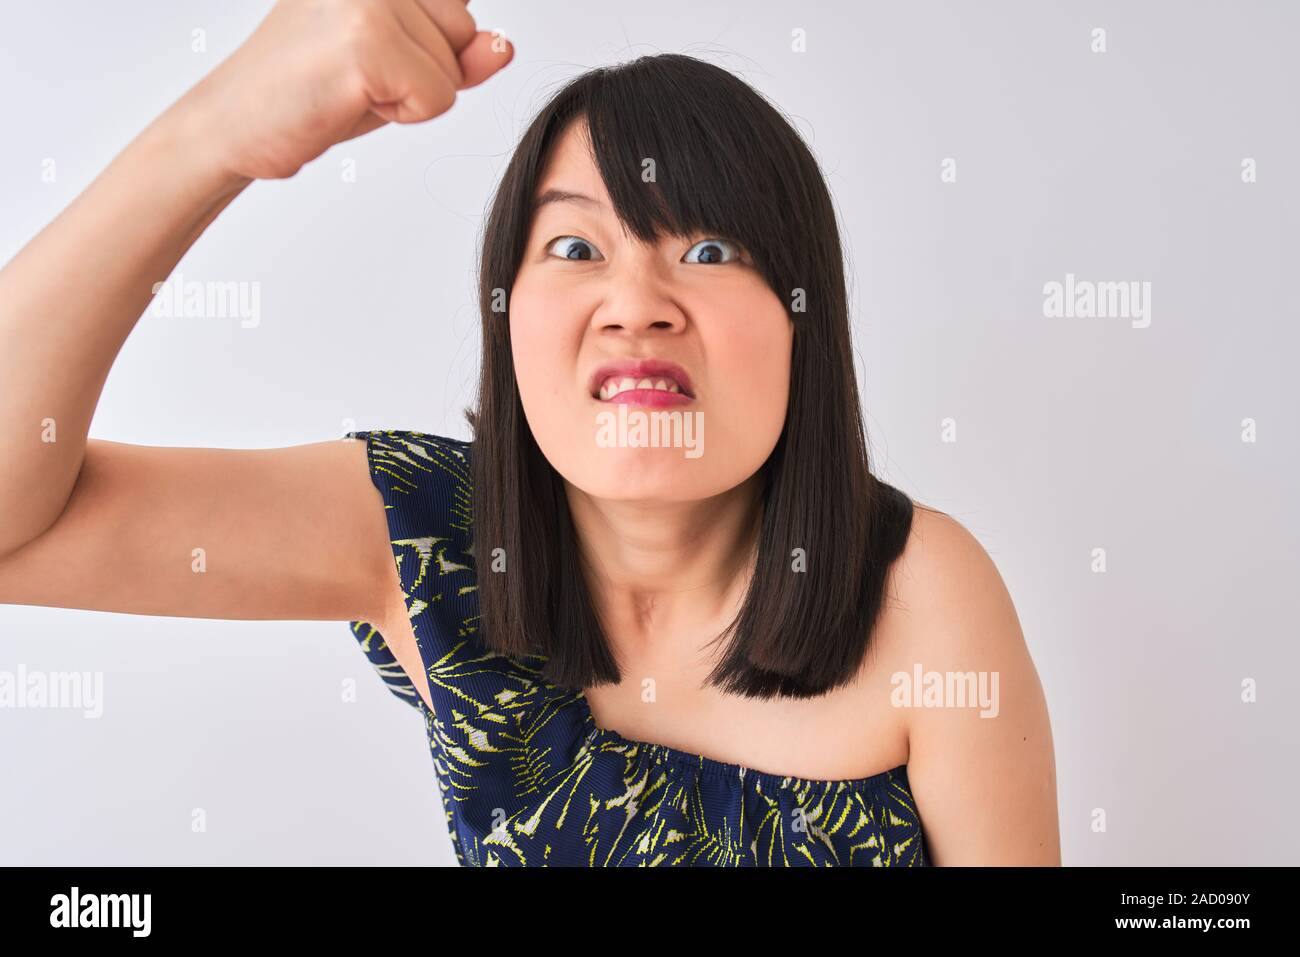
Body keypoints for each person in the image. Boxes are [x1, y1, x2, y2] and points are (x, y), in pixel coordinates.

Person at [0, 0, 1060, 866]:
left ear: (801, 318)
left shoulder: (923, 594)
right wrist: (215, 134)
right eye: (573, 246)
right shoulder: (421, 529)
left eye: (706, 252)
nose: (635, 301)